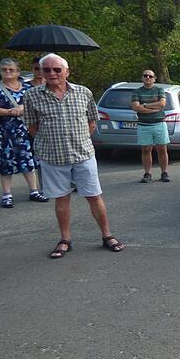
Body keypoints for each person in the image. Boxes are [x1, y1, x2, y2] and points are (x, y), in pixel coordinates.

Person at [24, 53, 124, 258]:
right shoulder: (32, 96)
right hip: (53, 157)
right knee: (61, 199)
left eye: (57, 69)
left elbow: (92, 122)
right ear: (41, 72)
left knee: (94, 196)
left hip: (83, 155)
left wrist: (79, 140)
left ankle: (107, 235)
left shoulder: (83, 92)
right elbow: (32, 127)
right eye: (47, 70)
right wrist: (51, 142)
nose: (52, 73)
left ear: (67, 72)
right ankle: (65, 239)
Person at [0, 57, 48, 208]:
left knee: (28, 161)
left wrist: (22, 108)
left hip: (25, 131)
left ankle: (34, 191)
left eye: (11, 70)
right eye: (4, 70)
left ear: (18, 72)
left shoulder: (27, 88)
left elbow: (37, 105)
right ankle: (7, 194)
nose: (8, 72)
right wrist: (9, 111)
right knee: (6, 163)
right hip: (3, 133)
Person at [130, 69, 170, 183]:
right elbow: (136, 107)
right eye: (145, 76)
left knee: (162, 149)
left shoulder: (159, 90)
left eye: (150, 76)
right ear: (142, 78)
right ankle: (147, 173)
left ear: (154, 79)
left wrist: (145, 105)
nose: (148, 78)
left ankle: (164, 172)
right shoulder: (137, 92)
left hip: (159, 124)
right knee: (146, 150)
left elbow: (162, 103)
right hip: (143, 125)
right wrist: (153, 109)